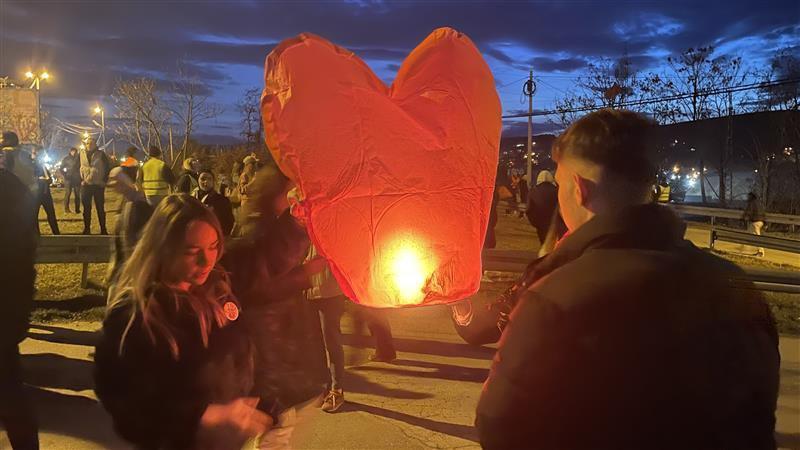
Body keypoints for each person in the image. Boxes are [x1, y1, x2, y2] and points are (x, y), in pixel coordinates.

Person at [476, 109, 779, 450]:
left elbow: (499, 425)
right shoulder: (736, 289)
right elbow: (757, 421)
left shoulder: (554, 299)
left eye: (560, 185)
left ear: (579, 189)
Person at [94, 195, 274, 449]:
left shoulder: (218, 291)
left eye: (213, 246)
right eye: (192, 251)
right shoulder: (136, 316)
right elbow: (126, 404)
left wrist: (262, 400)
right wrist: (200, 419)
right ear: (163, 248)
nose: (207, 261)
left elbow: (241, 351)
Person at [221, 166, 330, 449]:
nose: (294, 198)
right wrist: (302, 274)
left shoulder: (267, 226)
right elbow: (264, 280)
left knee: (280, 428)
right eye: (289, 192)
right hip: (268, 351)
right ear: (274, 194)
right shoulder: (262, 231)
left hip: (276, 351)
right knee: (276, 431)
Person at [0, 146, 40, 449]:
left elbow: (20, 261)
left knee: (11, 396)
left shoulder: (13, 192)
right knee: (11, 397)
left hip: (5, 315)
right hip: (6, 316)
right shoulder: (11, 193)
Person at [305, 245, 348, 413]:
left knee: (331, 341)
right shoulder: (301, 223)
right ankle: (323, 387)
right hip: (308, 289)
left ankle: (337, 390)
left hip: (330, 290)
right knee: (315, 342)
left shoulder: (330, 221)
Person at [525, 170, 566, 247]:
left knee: (543, 242)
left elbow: (529, 209)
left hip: (540, 221)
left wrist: (534, 221)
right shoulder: (557, 191)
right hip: (554, 222)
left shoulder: (533, 191)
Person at [79, 138, 111, 235]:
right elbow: (77, 167)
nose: (89, 145)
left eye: (91, 143)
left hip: (98, 185)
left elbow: (108, 167)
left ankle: (103, 229)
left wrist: (104, 181)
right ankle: (87, 229)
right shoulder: (81, 154)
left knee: (100, 208)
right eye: (87, 143)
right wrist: (80, 180)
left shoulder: (101, 154)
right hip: (86, 185)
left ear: (95, 144)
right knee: (86, 209)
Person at [193, 170, 235, 236]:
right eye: (203, 179)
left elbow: (229, 222)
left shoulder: (222, 200)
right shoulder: (192, 200)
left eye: (209, 179)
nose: (206, 181)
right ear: (198, 180)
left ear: (213, 182)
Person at [31, 147, 60, 235]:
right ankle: (36, 234)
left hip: (45, 192)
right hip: (36, 194)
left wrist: (48, 180)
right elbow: (30, 177)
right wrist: (41, 180)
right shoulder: (31, 164)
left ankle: (56, 233)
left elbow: (49, 178)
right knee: (34, 215)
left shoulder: (43, 165)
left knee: (51, 213)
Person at [744, 192, 766, 257]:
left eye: (749, 196)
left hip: (755, 222)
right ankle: (759, 251)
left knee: (755, 236)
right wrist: (765, 222)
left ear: (751, 197)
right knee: (751, 234)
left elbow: (749, 211)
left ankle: (760, 251)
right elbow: (763, 213)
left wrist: (744, 217)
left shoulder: (752, 203)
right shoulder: (759, 203)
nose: (748, 197)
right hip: (760, 221)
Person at [61, 147, 82, 214]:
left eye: (75, 151)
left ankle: (77, 209)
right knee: (68, 193)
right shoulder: (66, 159)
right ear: (70, 152)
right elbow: (61, 168)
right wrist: (65, 175)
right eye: (72, 151)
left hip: (77, 178)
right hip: (68, 178)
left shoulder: (79, 159)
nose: (74, 152)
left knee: (77, 195)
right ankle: (66, 209)